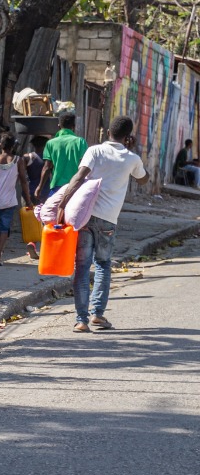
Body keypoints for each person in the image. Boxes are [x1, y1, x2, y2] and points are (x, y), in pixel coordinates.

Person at [53, 114, 146, 334]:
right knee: (103, 264)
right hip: (108, 220)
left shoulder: (94, 150)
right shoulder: (132, 158)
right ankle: (98, 314)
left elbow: (78, 177)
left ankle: (81, 320)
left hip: (85, 217)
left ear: (107, 132)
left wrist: (62, 205)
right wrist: (133, 151)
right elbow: (143, 179)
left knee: (83, 267)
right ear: (128, 137)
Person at [0, 135, 25, 264]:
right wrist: (29, 200)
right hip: (9, 201)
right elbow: (24, 181)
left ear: (0, 145)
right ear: (13, 146)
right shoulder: (17, 160)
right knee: (4, 228)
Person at [42, 111, 88, 192]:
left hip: (57, 187)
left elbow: (47, 168)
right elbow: (85, 166)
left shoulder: (50, 143)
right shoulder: (80, 142)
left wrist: (39, 187)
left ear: (59, 126)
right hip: (76, 187)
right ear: (73, 126)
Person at [22, 133, 49, 206]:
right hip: (45, 191)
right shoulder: (49, 158)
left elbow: (22, 176)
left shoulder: (27, 157)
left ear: (33, 145)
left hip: (30, 191)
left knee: (28, 215)